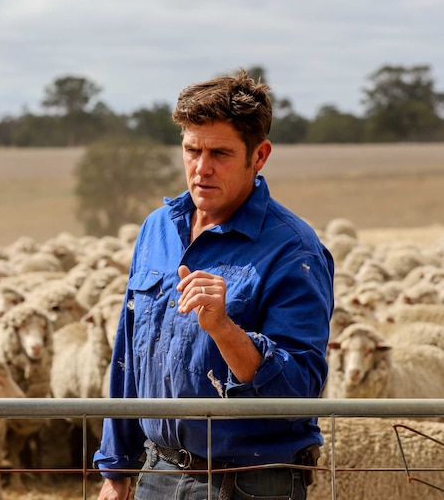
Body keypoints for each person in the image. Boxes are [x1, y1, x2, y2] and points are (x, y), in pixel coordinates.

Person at [93, 69, 334, 500]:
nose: (202, 168)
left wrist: (224, 328)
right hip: (157, 472)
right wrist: (116, 466)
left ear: (258, 156)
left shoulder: (293, 251)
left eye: (220, 153)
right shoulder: (157, 228)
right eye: (192, 150)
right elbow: (129, 350)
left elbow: (302, 388)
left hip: (250, 482)